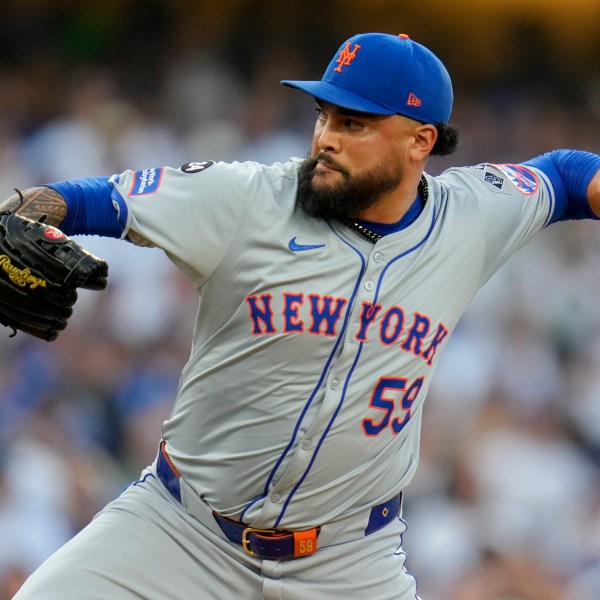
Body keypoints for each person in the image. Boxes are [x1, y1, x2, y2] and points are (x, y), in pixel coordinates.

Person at [7, 31, 600, 600]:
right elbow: (95, 198)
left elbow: (566, 177)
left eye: (354, 124)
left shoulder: (472, 215)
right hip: (180, 532)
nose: (326, 138)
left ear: (420, 141)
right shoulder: (248, 198)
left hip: (347, 562)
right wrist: (29, 213)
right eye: (324, 116)